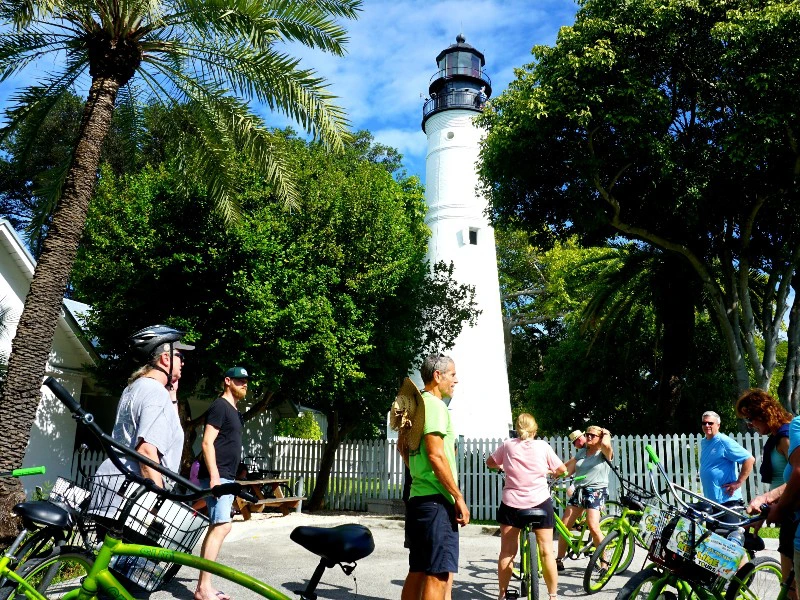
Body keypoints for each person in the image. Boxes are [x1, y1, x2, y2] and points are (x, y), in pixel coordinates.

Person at [401, 355, 469, 600]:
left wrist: (419, 473)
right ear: (437, 376)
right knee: (438, 574)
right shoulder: (436, 405)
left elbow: (403, 447)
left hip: (419, 499)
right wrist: (458, 497)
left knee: (418, 570)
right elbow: (436, 454)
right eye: (452, 375)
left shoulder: (417, 405)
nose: (456, 380)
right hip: (437, 503)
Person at [93, 324, 193, 490]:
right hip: (136, 488)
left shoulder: (134, 387)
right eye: (180, 356)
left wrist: (172, 395)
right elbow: (146, 451)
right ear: (166, 358)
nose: (183, 362)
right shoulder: (155, 392)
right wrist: (157, 499)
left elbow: (169, 428)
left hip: (115, 481)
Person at [487, 413, 567, 600]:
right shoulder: (543, 446)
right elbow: (562, 469)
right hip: (540, 502)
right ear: (535, 430)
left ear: (517, 428)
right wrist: (549, 471)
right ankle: (553, 596)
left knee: (507, 551)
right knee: (547, 551)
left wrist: (503, 467)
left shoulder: (507, 445)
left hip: (511, 504)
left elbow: (490, 463)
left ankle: (502, 594)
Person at [194, 367, 248, 600]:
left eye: (246, 381)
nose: (244, 384)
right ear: (227, 381)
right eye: (239, 380)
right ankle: (203, 588)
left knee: (218, 525)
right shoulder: (220, 406)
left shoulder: (235, 411)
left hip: (226, 475)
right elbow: (207, 443)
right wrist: (215, 477)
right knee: (222, 526)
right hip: (218, 475)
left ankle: (203, 586)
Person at [738, 390, 795, 595]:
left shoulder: (786, 437)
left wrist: (769, 500)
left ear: (764, 413)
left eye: (751, 419)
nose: (750, 425)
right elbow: (781, 480)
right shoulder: (774, 438)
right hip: (786, 513)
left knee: (791, 587)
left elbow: (797, 479)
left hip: (795, 516)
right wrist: (765, 510)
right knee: (789, 586)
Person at [555, 425, 612, 572]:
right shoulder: (582, 453)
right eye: (587, 434)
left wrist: (605, 432)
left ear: (600, 437)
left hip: (596, 491)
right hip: (579, 491)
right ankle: (559, 559)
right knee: (564, 526)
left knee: (593, 526)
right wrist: (552, 474)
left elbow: (606, 444)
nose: (589, 437)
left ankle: (604, 561)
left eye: (593, 435)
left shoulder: (604, 453)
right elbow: (567, 471)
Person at [699, 410, 755, 521]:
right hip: (712, 501)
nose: (707, 425)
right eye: (704, 423)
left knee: (729, 536)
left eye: (710, 423)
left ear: (718, 425)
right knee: (713, 537)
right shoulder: (704, 441)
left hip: (727, 501)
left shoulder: (723, 441)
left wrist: (738, 483)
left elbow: (749, 459)